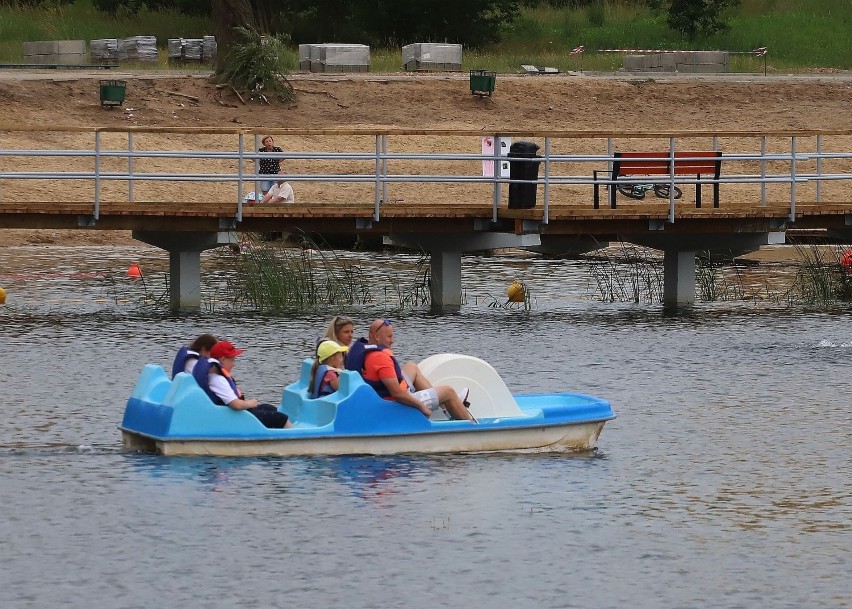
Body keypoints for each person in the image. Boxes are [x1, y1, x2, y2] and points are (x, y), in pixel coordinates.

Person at [346, 319, 475, 422]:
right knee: (448, 391)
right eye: (389, 337)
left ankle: (446, 408)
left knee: (411, 367)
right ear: (377, 337)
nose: (393, 340)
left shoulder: (361, 350)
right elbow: (397, 394)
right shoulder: (380, 357)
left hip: (378, 398)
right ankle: (471, 428)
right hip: (393, 404)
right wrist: (421, 407)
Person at [193, 340, 292, 429]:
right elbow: (236, 405)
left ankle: (276, 434)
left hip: (231, 414)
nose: (234, 364)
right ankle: (294, 439)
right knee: (279, 418)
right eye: (232, 360)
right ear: (222, 360)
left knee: (268, 408)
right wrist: (250, 403)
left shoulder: (213, 376)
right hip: (232, 418)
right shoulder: (218, 380)